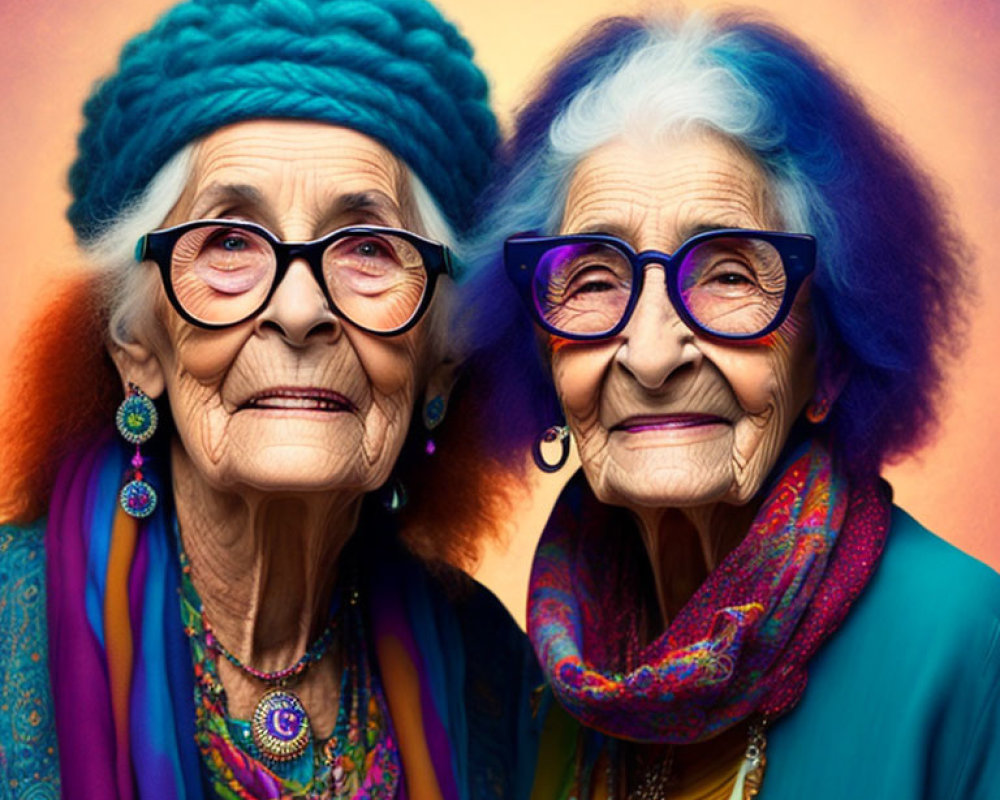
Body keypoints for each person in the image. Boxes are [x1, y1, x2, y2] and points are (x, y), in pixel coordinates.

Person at [0, 0, 540, 797]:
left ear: (441, 364)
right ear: (135, 347)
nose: (296, 311)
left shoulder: (495, 673)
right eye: (227, 241)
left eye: (368, 248)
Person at [463, 12, 1000, 799]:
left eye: (729, 274)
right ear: (543, 359)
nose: (649, 354)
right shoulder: (550, 670)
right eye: (594, 278)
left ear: (831, 359)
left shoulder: (967, 645)